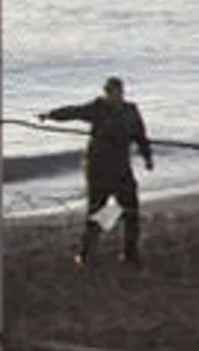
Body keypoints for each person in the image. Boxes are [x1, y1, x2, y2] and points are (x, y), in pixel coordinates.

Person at [41, 76, 153, 266]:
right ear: (105, 92)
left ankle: (130, 253)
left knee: (131, 210)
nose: (114, 96)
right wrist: (51, 115)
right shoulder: (98, 108)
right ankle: (86, 254)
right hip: (98, 169)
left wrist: (147, 157)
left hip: (121, 169)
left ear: (122, 92)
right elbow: (74, 112)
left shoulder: (130, 111)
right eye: (110, 92)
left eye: (117, 92)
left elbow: (140, 136)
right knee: (96, 211)